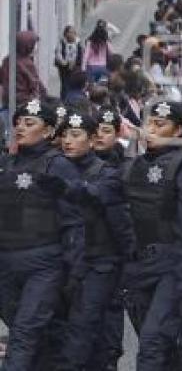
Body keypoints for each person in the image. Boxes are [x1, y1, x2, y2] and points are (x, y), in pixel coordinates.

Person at [121, 100, 182, 369]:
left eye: (160, 124)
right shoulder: (133, 166)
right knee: (163, 344)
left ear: (179, 130)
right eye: (148, 123)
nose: (151, 130)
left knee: (151, 343)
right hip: (138, 265)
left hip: (172, 266)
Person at [0, 99, 82, 369]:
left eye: (29, 123)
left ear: (47, 132)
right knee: (33, 334)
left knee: (23, 333)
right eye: (18, 123)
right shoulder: (6, 164)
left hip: (44, 264)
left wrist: (72, 270)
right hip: (8, 263)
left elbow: (73, 222)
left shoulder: (57, 166)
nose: (20, 128)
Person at [55, 110, 135, 370]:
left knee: (86, 328)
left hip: (98, 261)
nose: (68, 140)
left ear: (91, 139)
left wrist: (129, 264)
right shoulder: (55, 169)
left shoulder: (106, 174)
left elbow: (121, 225)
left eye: (75, 134)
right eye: (65, 134)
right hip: (63, 262)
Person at [0, 31, 48, 110]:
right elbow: (35, 86)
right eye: (33, 44)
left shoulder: (7, 60)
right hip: (24, 103)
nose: (36, 48)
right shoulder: (26, 63)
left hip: (9, 102)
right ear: (26, 45)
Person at [55, 26, 84, 100]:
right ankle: (64, 100)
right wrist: (65, 63)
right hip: (63, 68)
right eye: (70, 32)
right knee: (64, 85)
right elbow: (58, 55)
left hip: (75, 68)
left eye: (73, 33)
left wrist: (75, 63)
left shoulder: (78, 43)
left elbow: (81, 55)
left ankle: (72, 100)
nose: (72, 34)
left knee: (73, 84)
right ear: (65, 34)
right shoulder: (61, 43)